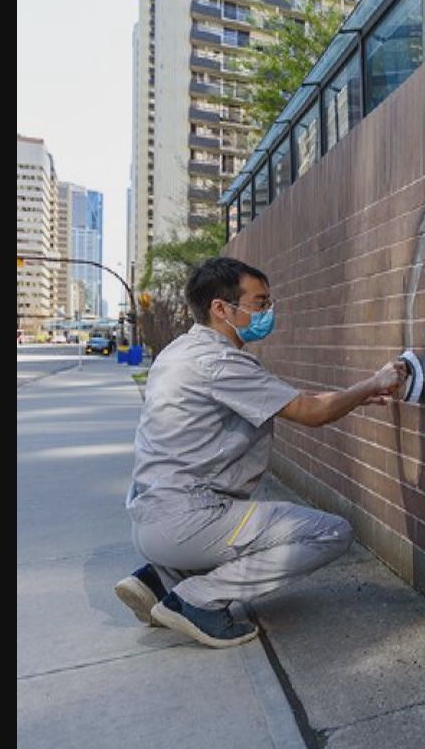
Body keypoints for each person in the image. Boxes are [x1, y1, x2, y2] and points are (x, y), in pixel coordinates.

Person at [114, 256, 408, 648]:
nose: (267, 312)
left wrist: (354, 398)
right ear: (221, 308)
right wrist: (375, 382)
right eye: (259, 302)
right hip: (189, 520)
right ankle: (196, 600)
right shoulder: (219, 362)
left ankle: (157, 580)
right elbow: (310, 411)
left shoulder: (178, 352)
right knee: (331, 532)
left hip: (152, 519)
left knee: (242, 531)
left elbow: (298, 399)